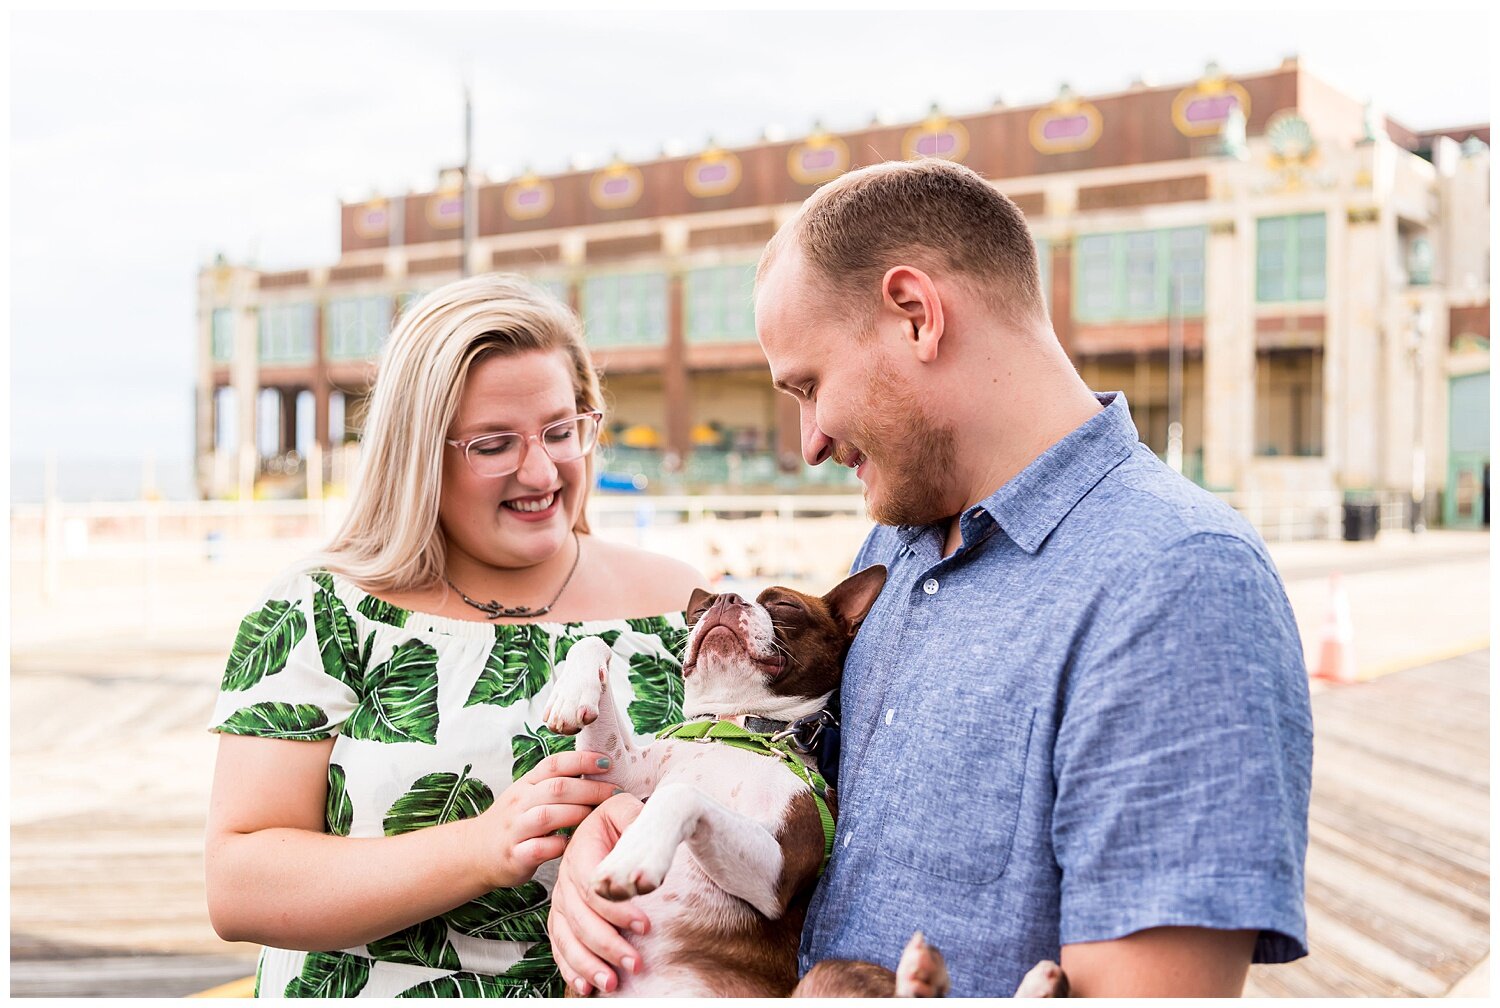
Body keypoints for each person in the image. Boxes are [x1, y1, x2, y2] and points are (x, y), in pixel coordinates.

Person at [548, 159, 1313, 997]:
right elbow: (772, 790)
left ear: (915, 315)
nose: (808, 441)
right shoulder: (892, 550)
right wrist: (611, 841)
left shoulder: (1178, 581)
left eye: (809, 386)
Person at [204, 274, 704, 997]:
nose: (542, 470)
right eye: (494, 444)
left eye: (562, 431)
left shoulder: (677, 603)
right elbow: (239, 884)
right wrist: (480, 847)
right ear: (417, 454)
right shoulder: (321, 609)